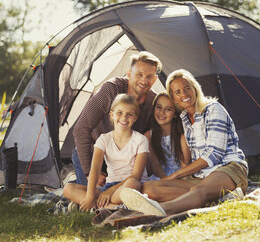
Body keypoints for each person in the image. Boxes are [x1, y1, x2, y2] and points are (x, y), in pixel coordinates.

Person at [119, 69, 248, 216]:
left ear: (195, 88)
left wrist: (175, 176)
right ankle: (221, 197)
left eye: (187, 88)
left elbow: (214, 155)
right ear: (173, 97)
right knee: (149, 188)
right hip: (200, 176)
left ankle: (164, 209)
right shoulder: (185, 118)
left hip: (227, 168)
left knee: (198, 190)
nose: (184, 94)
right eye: (178, 92)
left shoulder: (213, 109)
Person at [71, 51, 162, 187]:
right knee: (91, 197)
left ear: (154, 80)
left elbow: (148, 140)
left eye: (149, 76)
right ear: (129, 74)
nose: (144, 80)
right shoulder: (111, 89)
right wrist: (90, 172)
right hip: (94, 153)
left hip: (124, 161)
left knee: (116, 196)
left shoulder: (152, 102)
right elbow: (81, 129)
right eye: (139, 75)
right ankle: (78, 180)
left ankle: (76, 183)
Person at [63, 94, 149, 211]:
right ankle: (113, 208)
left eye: (129, 114)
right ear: (112, 114)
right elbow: (95, 169)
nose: (124, 118)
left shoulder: (141, 140)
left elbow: (136, 176)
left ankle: (99, 207)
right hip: (110, 186)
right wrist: (90, 196)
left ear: (135, 118)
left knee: (132, 184)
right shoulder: (104, 139)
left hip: (129, 186)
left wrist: (109, 192)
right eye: (119, 113)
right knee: (68, 188)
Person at [144, 92, 190, 180]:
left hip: (182, 176)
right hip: (161, 177)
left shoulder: (182, 135)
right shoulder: (148, 136)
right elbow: (156, 167)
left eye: (168, 109)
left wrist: (173, 182)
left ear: (175, 114)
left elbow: (185, 165)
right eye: (159, 107)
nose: (162, 112)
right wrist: (165, 181)